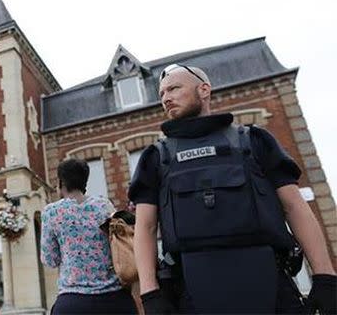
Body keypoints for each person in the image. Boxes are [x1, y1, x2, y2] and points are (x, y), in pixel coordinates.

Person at [130, 64, 337, 314]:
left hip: (271, 287)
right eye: (162, 93)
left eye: (174, 88)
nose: (166, 98)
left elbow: (294, 206)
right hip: (192, 291)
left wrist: (325, 276)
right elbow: (146, 226)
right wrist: (150, 293)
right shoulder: (155, 157)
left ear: (204, 89)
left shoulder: (254, 141)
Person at [41, 158, 137, 314]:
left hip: (73, 302)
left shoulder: (51, 212)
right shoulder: (103, 205)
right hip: (115, 299)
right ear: (84, 181)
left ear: (61, 183)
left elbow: (50, 260)